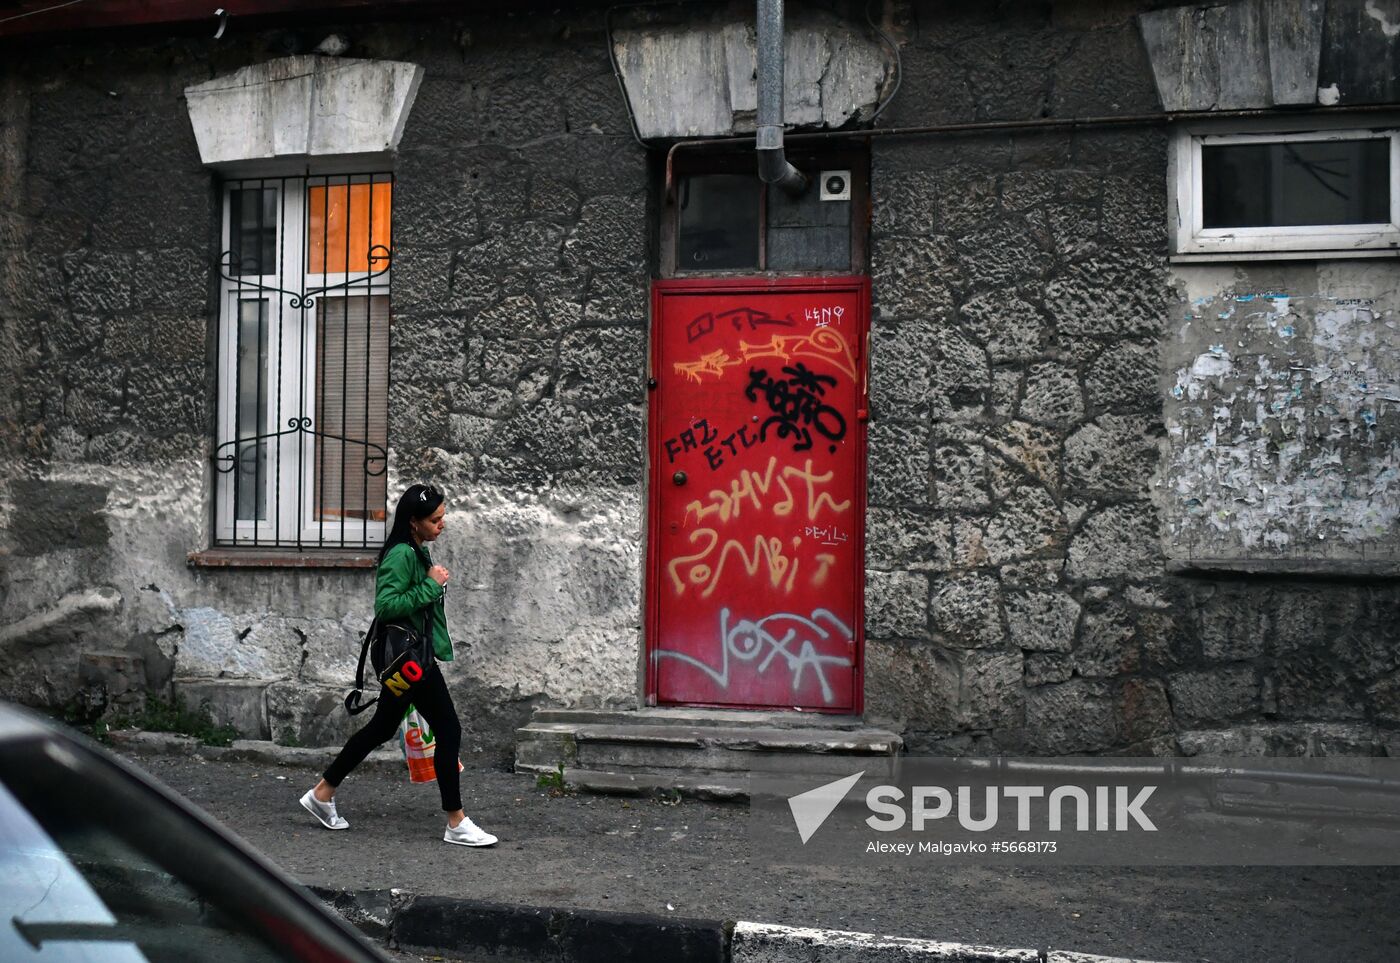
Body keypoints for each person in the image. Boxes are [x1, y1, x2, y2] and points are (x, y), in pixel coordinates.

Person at [299, 483, 497, 847]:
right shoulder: (402, 554)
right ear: (413, 521)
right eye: (435, 519)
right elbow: (387, 606)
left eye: (443, 517)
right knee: (449, 730)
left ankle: (322, 793)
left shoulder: (415, 550)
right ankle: (456, 822)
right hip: (411, 660)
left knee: (380, 727)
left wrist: (429, 582)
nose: (443, 525)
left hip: (412, 657)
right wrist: (432, 586)